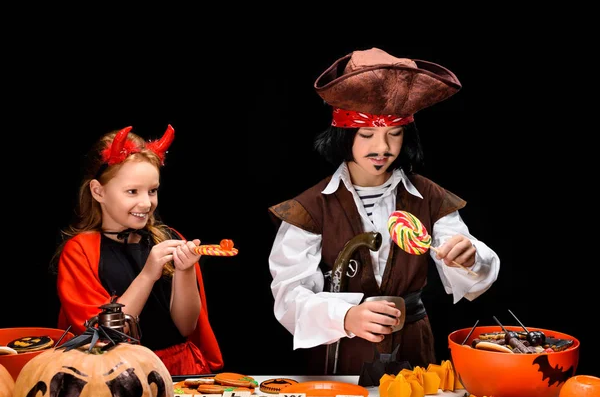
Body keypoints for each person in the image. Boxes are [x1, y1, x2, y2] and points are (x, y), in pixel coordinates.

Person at [268, 47, 500, 375]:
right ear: (343, 135)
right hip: (339, 356)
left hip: (414, 350)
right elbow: (288, 295)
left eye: (394, 134)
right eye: (367, 135)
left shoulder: (429, 198)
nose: (383, 148)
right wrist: (345, 315)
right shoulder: (310, 207)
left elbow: (477, 279)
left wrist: (470, 256)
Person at [51, 124, 223, 375]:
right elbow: (106, 335)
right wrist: (148, 274)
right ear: (98, 191)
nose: (146, 203)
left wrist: (185, 271)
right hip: (116, 373)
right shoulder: (80, 251)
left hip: (177, 369)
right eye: (132, 191)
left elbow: (186, 328)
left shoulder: (169, 238)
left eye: (152, 191)